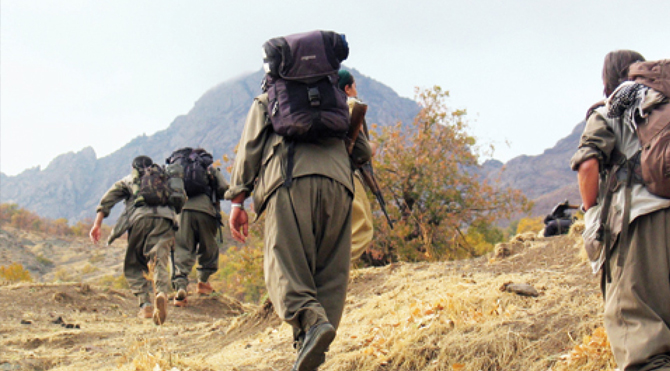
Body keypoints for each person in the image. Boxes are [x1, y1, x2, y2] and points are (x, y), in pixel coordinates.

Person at [226, 72, 371, 371]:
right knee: (330, 271)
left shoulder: (269, 100)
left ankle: (311, 323)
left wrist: (238, 200)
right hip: (339, 187)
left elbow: (250, 148)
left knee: (284, 264)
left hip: (289, 183)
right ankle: (310, 347)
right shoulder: (339, 100)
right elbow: (362, 152)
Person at [571, 50, 670, 371]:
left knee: (641, 339)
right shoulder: (665, 104)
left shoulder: (611, 110)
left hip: (639, 226)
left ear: (607, 80)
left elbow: (588, 164)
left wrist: (591, 214)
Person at [89, 155, 178, 325]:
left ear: (133, 168)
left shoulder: (129, 180)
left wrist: (97, 224)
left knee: (134, 263)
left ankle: (145, 305)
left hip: (139, 219)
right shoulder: (163, 179)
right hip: (165, 220)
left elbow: (108, 199)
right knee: (159, 259)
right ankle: (161, 293)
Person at [171, 148, 229, 307]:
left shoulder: (179, 171)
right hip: (206, 211)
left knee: (182, 249)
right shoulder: (209, 168)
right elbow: (224, 188)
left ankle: (180, 289)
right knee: (208, 247)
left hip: (182, 212)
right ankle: (203, 283)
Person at [338, 69, 375, 261]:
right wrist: (371, 147)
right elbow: (362, 152)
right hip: (345, 173)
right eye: (354, 86)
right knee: (362, 229)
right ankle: (333, 273)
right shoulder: (351, 106)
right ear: (347, 88)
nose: (356, 90)